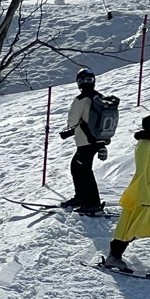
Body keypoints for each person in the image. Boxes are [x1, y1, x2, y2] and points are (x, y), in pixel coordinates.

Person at [100, 114, 150, 274]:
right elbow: (141, 172)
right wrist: (144, 195)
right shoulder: (144, 146)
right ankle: (115, 255)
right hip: (144, 191)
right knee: (132, 224)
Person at [59, 68, 107, 215]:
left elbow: (73, 121)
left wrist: (70, 129)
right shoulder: (100, 98)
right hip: (98, 140)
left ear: (79, 83)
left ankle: (92, 204)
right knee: (77, 167)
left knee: (83, 171)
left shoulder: (81, 99)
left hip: (86, 142)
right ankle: (81, 197)